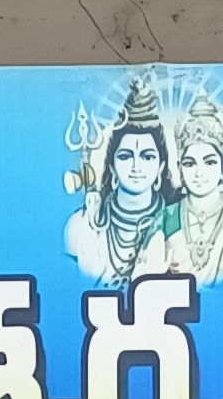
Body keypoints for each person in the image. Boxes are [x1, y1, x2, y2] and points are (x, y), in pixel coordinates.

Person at [68, 98, 177, 284]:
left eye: (147, 156)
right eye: (126, 156)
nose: (136, 167)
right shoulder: (83, 225)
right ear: (112, 168)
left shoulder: (176, 225)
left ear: (161, 168)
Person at [157, 104, 223, 283]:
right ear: (180, 169)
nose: (199, 173)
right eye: (190, 163)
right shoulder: (164, 219)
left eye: (209, 163)